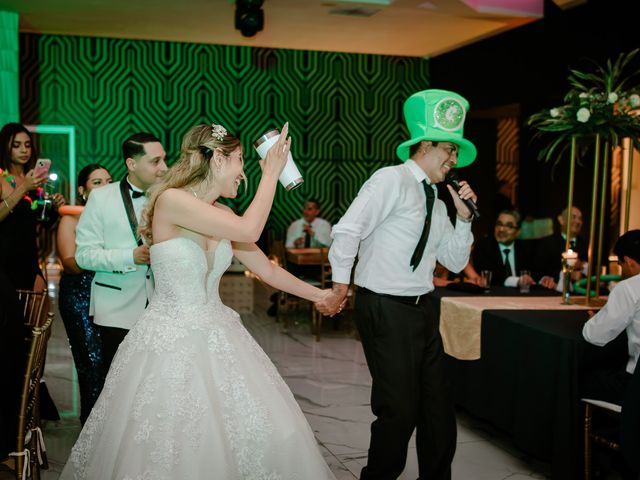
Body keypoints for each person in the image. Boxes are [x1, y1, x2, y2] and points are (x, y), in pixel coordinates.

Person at [60, 122, 338, 479]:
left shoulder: (222, 216)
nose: (244, 172)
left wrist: (321, 295)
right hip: (169, 343)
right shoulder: (172, 202)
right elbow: (250, 230)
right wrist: (272, 172)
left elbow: (266, 271)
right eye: (240, 160)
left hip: (219, 336)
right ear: (218, 160)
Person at [326, 89, 478, 480]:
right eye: (449, 149)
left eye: (457, 153)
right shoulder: (390, 180)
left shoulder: (440, 200)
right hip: (385, 306)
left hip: (423, 308)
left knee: (438, 408)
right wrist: (341, 286)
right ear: (425, 145)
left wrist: (464, 219)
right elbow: (347, 231)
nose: (453, 160)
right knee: (399, 409)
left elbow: (455, 261)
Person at [75, 132, 167, 378]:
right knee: (118, 385)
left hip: (163, 306)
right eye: (155, 161)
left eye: (164, 159)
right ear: (132, 164)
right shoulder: (101, 198)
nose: (164, 168)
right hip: (116, 309)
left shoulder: (170, 197)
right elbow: (84, 255)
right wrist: (130, 256)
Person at [56, 164, 112, 424]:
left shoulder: (112, 218)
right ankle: (91, 431)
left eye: (109, 181)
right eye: (97, 182)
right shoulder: (71, 218)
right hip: (79, 295)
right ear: (83, 190)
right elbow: (69, 263)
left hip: (110, 296)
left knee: (112, 366)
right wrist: (101, 256)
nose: (105, 187)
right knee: (91, 364)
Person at [0, 122, 65, 291]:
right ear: (5, 147)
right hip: (4, 260)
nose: (24, 150)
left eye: (28, 145)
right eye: (17, 145)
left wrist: (54, 209)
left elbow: (43, 223)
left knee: (35, 315)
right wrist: (23, 188)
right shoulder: (2, 178)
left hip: (29, 258)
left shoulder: (33, 181)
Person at [582, 229, 640, 405]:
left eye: (621, 266)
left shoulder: (629, 287)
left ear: (628, 261)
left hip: (635, 386)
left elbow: (594, 336)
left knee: (578, 378)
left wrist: (594, 319)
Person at [468, 210, 538, 288]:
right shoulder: (484, 246)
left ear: (518, 231)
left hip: (523, 296)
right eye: (499, 224)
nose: (501, 229)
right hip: (493, 295)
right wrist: (517, 281)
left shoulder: (526, 249)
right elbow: (489, 276)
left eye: (509, 226)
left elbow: (535, 274)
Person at [535, 206, 588, 290]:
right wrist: (568, 274)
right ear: (561, 220)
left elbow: (596, 273)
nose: (577, 221)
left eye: (580, 219)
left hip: (581, 293)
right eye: (573, 217)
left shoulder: (587, 245)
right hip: (553, 293)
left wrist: (582, 266)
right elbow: (539, 271)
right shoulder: (547, 243)